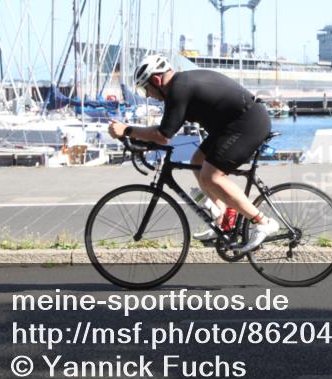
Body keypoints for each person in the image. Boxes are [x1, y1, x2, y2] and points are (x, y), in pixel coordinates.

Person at [108, 54, 278, 252]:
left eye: (145, 88)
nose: (146, 95)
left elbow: (163, 136)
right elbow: (165, 131)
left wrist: (127, 130)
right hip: (231, 125)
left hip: (247, 123)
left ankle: (263, 222)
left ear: (156, 81)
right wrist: (136, 138)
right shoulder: (181, 85)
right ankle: (225, 217)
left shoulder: (178, 89)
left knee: (211, 175)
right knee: (197, 161)